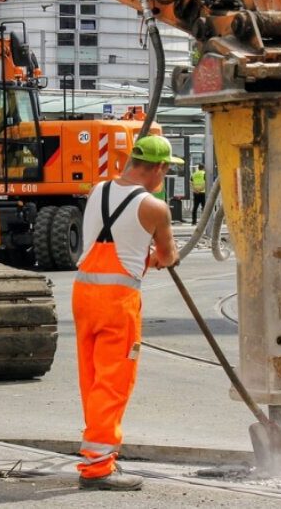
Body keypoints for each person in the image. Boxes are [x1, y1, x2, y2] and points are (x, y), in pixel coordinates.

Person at [73, 135, 181, 491]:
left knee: (91, 376)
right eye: (167, 170)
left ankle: (95, 451)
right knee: (113, 381)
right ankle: (98, 467)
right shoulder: (154, 207)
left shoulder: (97, 191)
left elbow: (114, 238)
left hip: (84, 295)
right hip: (117, 302)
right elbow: (167, 256)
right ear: (159, 168)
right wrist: (159, 255)